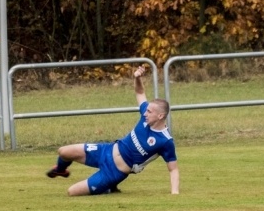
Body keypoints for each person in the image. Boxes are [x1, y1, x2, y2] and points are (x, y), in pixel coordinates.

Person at [46, 66, 180, 196]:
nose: (145, 113)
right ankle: (60, 170)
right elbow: (140, 92)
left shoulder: (165, 141)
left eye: (149, 112)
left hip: (114, 172)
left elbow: (173, 169)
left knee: (72, 192)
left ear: (160, 116)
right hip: (106, 150)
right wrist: (137, 78)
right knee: (63, 152)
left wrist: (175, 193)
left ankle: (108, 187)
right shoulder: (145, 117)